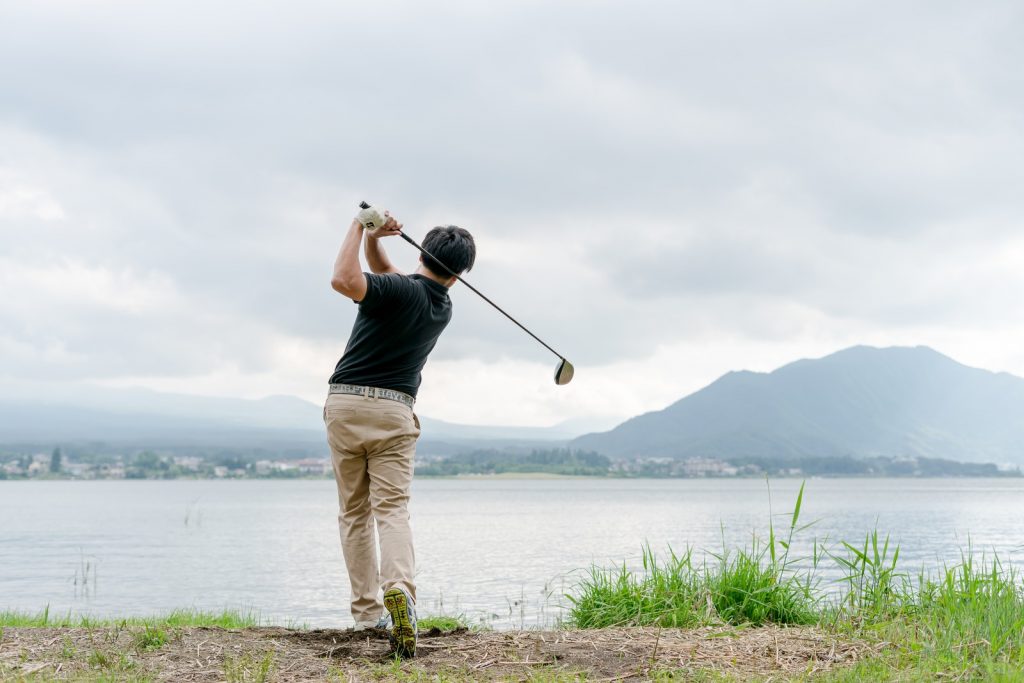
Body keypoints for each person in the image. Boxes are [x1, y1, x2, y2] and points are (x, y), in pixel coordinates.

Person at [324, 205, 476, 659]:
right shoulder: (440, 306)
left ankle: (368, 613)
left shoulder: (397, 292)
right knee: (391, 510)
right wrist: (376, 238)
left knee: (354, 512)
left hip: (346, 404)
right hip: (394, 412)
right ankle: (401, 594)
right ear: (461, 272)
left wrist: (358, 225)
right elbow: (386, 274)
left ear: (423, 253)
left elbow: (344, 280)